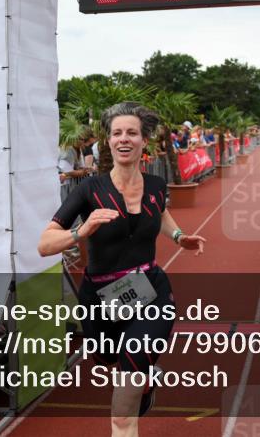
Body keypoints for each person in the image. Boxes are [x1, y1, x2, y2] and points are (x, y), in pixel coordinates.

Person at [38, 102, 206, 434]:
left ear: (145, 141)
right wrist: (80, 232)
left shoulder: (157, 186)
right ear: (109, 141)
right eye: (117, 133)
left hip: (150, 290)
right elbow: (45, 244)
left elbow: (158, 212)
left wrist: (178, 235)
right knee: (108, 360)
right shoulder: (89, 189)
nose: (123, 139)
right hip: (99, 297)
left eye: (131, 132)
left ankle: (134, 390)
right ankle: (145, 381)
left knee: (126, 385)